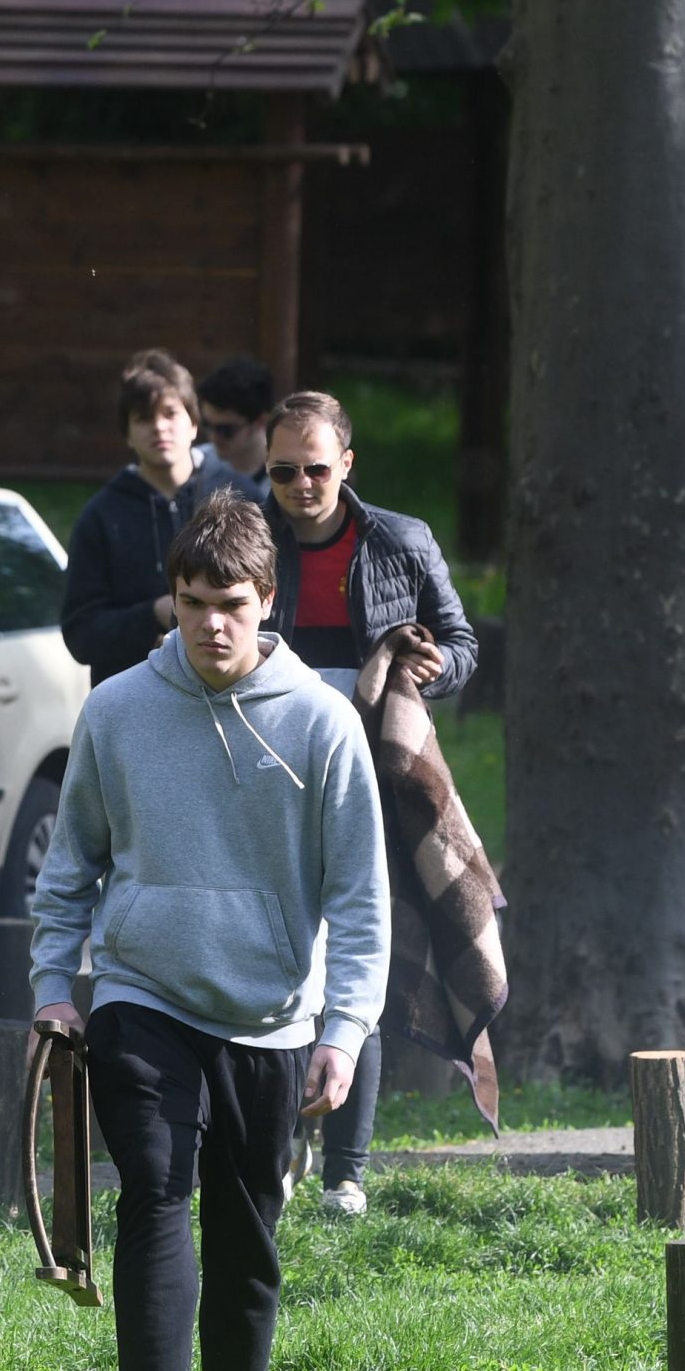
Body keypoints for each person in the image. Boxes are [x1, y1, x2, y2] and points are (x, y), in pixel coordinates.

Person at [29, 492, 388, 1371]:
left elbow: (360, 896)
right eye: (192, 603)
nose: (210, 624)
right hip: (142, 990)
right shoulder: (117, 711)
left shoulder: (323, 723)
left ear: (267, 599)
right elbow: (71, 866)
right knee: (152, 1186)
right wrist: (55, 984)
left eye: (230, 604)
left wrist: (346, 1030)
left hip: (270, 1012)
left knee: (244, 1223)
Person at [257, 389, 479, 1215]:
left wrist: (431, 670)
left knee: (361, 965)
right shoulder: (249, 537)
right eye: (283, 471)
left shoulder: (399, 540)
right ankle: (280, 1146)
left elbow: (462, 644)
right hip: (269, 769)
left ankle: (344, 1173)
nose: (301, 486)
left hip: (374, 775)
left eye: (316, 469)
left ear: (346, 464)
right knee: (278, 961)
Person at [59, 348, 268, 687]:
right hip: (133, 698)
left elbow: (273, 600)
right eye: (143, 418)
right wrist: (152, 616)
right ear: (127, 434)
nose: (159, 427)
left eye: (170, 413)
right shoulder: (102, 516)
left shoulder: (243, 498)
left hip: (232, 693)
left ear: (194, 423)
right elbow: (81, 635)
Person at [197, 354, 278, 483]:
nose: (213, 437)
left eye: (225, 430)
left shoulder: (284, 477)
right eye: (206, 424)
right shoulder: (196, 463)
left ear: (260, 422)